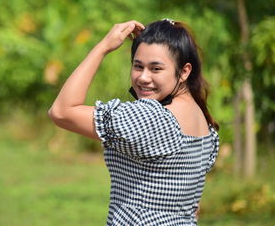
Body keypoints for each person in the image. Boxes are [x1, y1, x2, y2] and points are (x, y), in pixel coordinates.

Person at [48, 19, 219, 225]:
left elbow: (61, 111)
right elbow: (193, 207)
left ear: (184, 71)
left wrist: (102, 47)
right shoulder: (202, 121)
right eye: (138, 66)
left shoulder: (152, 118)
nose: (143, 77)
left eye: (156, 69)